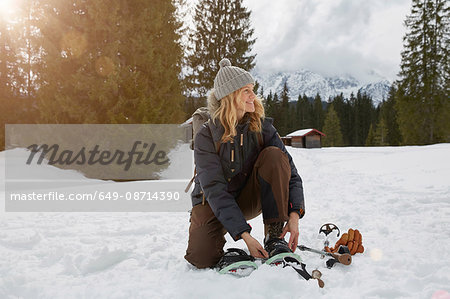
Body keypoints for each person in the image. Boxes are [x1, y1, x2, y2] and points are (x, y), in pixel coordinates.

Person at [185, 58, 305, 269]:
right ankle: (214, 236)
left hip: (247, 197)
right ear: (230, 96)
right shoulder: (206, 135)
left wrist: (294, 215)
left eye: (253, 89)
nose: (254, 96)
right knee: (202, 258)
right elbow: (214, 189)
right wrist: (246, 236)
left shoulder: (262, 127)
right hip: (212, 204)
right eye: (246, 91)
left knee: (275, 156)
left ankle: (274, 238)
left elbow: (292, 174)